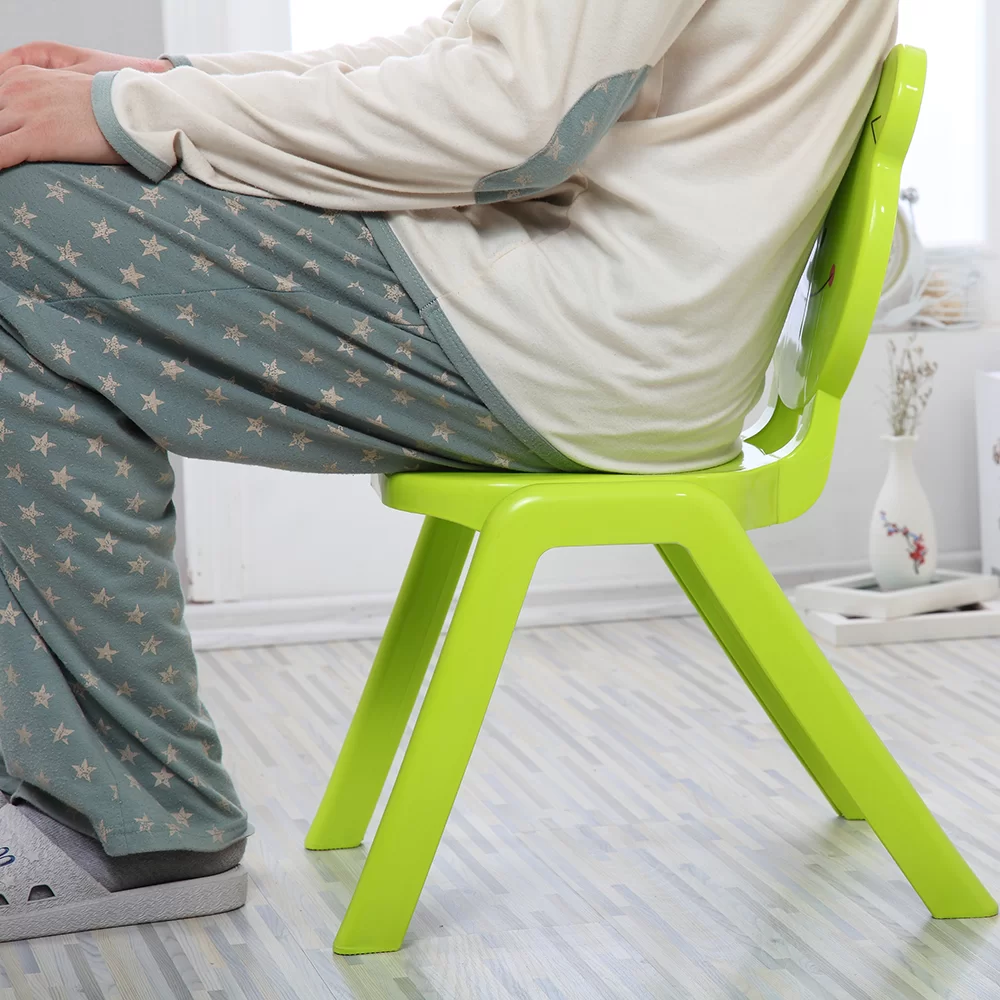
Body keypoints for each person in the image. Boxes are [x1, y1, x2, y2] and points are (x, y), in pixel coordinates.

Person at [0, 0, 897, 938]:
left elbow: (513, 119)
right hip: (617, 329)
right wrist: (168, 84)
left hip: (577, 335)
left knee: (22, 225)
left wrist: (135, 114)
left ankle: (125, 824)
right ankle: (105, 797)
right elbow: (473, 52)